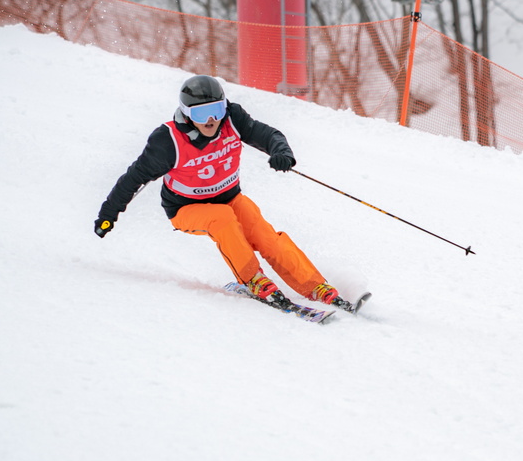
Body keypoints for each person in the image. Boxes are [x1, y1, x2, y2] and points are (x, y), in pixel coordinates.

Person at [95, 74, 357, 312]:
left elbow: (265, 134)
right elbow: (134, 178)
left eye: (216, 110)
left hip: (230, 198)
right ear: (186, 114)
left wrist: (281, 152)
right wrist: (109, 213)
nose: (211, 120)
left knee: (264, 234)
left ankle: (316, 286)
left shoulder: (232, 118)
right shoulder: (168, 141)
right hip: (186, 209)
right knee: (221, 218)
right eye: (202, 114)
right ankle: (253, 279)